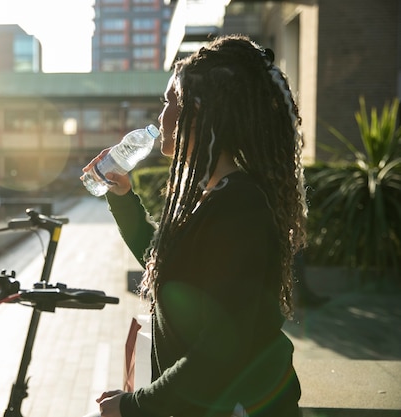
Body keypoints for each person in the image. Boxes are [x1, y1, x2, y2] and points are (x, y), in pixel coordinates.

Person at [83, 35, 308, 417]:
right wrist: (123, 197)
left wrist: (135, 406)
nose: (161, 116)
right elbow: (167, 267)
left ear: (199, 111)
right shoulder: (215, 193)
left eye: (171, 102)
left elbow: (219, 350)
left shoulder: (240, 206)